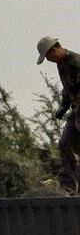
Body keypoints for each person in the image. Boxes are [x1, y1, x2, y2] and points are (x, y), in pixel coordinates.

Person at [37, 36, 80, 195]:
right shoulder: (61, 63)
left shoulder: (76, 61)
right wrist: (64, 104)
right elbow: (68, 87)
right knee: (65, 142)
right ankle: (68, 187)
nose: (48, 60)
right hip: (76, 110)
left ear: (54, 49)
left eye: (48, 56)